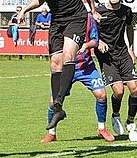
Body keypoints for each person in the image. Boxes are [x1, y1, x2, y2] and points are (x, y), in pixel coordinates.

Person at [18, 0, 101, 130]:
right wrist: (25, 9)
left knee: (68, 55)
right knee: (55, 63)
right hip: (57, 22)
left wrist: (93, 10)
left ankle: (58, 102)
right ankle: (58, 110)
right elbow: (41, 0)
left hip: (76, 20)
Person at [42, 14, 115, 143]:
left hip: (86, 67)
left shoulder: (88, 19)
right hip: (65, 69)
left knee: (102, 95)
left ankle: (102, 129)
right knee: (54, 101)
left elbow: (95, 40)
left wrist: (86, 45)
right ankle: (51, 133)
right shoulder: (59, 17)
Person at [95, 0, 137, 140]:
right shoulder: (98, 12)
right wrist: (99, 42)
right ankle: (115, 115)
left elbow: (129, 28)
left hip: (123, 54)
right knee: (119, 91)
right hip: (107, 57)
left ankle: (131, 123)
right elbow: (91, 31)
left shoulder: (127, 11)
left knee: (135, 89)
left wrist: (131, 49)